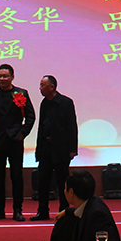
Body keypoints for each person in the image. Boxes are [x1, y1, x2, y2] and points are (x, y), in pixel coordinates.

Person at [0, 63, 36, 222]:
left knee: (16, 176)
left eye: (5, 76)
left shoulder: (21, 93)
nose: (2, 79)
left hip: (15, 140)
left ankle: (18, 210)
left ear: (12, 77)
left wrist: (23, 133)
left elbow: (31, 116)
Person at [32, 75, 79, 221]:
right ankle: (42, 211)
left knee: (62, 181)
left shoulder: (66, 102)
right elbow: (41, 128)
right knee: (43, 181)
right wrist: (38, 150)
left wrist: (72, 149)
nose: (40, 88)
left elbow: (72, 126)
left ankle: (64, 211)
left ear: (51, 87)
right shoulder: (44, 103)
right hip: (45, 147)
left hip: (61, 148)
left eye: (42, 85)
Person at [48, 170, 121, 241]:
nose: (64, 191)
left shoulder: (97, 215)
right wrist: (66, 211)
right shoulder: (93, 202)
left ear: (71, 192)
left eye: (65, 188)